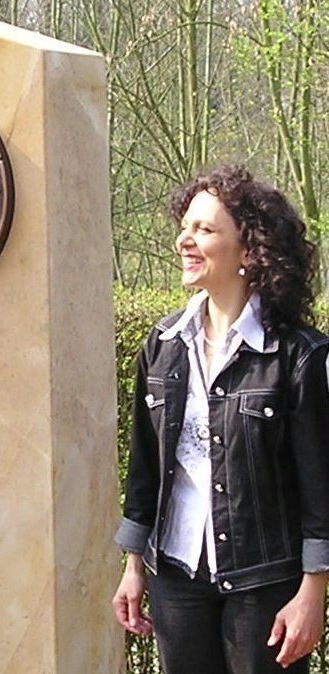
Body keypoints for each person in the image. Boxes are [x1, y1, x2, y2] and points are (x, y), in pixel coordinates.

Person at [111, 165, 329, 673]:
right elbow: (146, 469)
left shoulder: (299, 358)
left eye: (205, 229)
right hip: (176, 579)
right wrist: (134, 565)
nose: (184, 242)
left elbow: (321, 488)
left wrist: (313, 591)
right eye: (185, 227)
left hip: (265, 584)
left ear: (250, 251)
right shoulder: (163, 346)